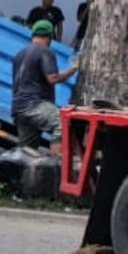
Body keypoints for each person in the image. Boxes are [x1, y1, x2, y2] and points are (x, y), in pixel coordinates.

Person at [11, 20, 78, 155]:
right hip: (34, 104)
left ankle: (20, 174)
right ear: (49, 37)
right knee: (63, 123)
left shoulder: (20, 54)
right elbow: (52, 78)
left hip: (18, 108)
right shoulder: (45, 51)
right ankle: (54, 167)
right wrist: (73, 69)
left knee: (27, 152)